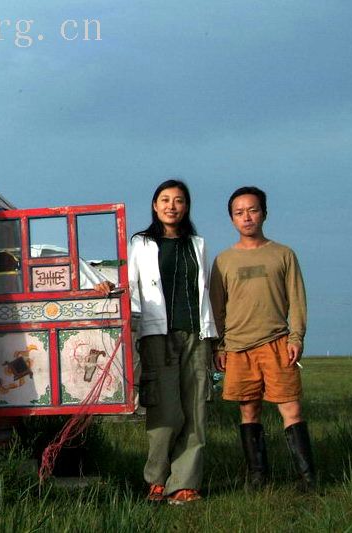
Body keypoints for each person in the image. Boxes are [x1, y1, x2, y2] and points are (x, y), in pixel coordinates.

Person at [98, 179, 216, 505]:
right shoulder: (142, 243)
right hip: (157, 334)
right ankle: (157, 479)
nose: (171, 206)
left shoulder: (198, 244)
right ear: (154, 205)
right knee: (166, 413)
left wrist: (215, 338)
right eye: (165, 199)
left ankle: (185, 484)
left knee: (195, 411)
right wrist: (108, 288)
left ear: (186, 206)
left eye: (178, 200)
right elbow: (129, 283)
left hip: (196, 333)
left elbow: (205, 292)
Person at [209, 186, 317, 491]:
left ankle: (308, 479)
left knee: (291, 409)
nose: (247, 217)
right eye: (239, 212)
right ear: (232, 219)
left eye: (252, 210)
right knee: (248, 410)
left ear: (264, 213)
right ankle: (258, 478)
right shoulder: (223, 260)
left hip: (278, 343)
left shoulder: (283, 254)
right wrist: (220, 345)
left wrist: (296, 337)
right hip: (238, 347)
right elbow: (217, 307)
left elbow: (297, 299)